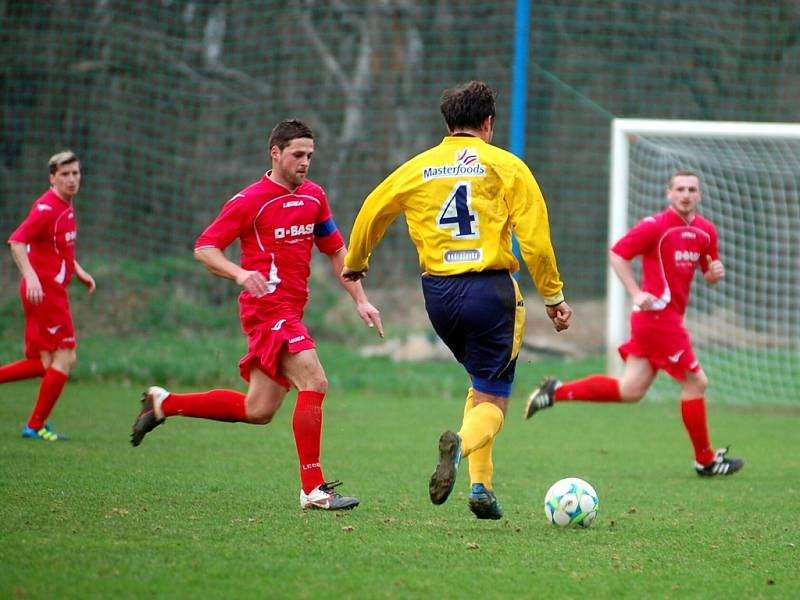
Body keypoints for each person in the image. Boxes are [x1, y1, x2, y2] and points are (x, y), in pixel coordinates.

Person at [342, 81, 572, 519]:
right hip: (490, 292)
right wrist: (554, 296)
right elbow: (536, 241)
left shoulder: (418, 166)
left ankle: (482, 489)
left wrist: (356, 261)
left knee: (480, 385)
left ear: (447, 123)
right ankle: (462, 446)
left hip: (438, 296)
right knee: (496, 401)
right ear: (488, 123)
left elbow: (374, 207)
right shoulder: (506, 166)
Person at [130, 119, 383, 510]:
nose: (305, 163)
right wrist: (240, 273)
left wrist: (360, 299)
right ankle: (313, 489)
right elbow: (205, 248)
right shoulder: (250, 200)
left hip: (291, 310)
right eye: (297, 155)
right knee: (315, 380)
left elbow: (335, 250)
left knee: (258, 410)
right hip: (266, 310)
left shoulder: (315, 197)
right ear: (275, 153)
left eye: (310, 156)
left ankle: (165, 403)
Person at [525, 170, 744, 477]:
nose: (685, 194)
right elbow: (618, 254)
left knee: (631, 389)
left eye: (692, 189)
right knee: (696, 382)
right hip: (657, 318)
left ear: (700, 195)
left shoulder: (706, 232)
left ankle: (556, 391)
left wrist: (714, 275)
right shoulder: (655, 226)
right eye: (679, 188)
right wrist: (635, 291)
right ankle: (706, 460)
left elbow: (708, 274)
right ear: (669, 194)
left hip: (664, 320)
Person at [2, 151, 96, 441]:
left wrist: (77, 269)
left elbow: (56, 247)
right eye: (65, 174)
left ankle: (35, 425)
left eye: (75, 173)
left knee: (45, 362)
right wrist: (31, 276)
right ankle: (35, 426)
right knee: (66, 357)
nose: (71, 179)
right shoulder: (47, 208)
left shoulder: (65, 206)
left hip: (47, 290)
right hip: (45, 293)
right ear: (52, 178)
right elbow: (17, 241)